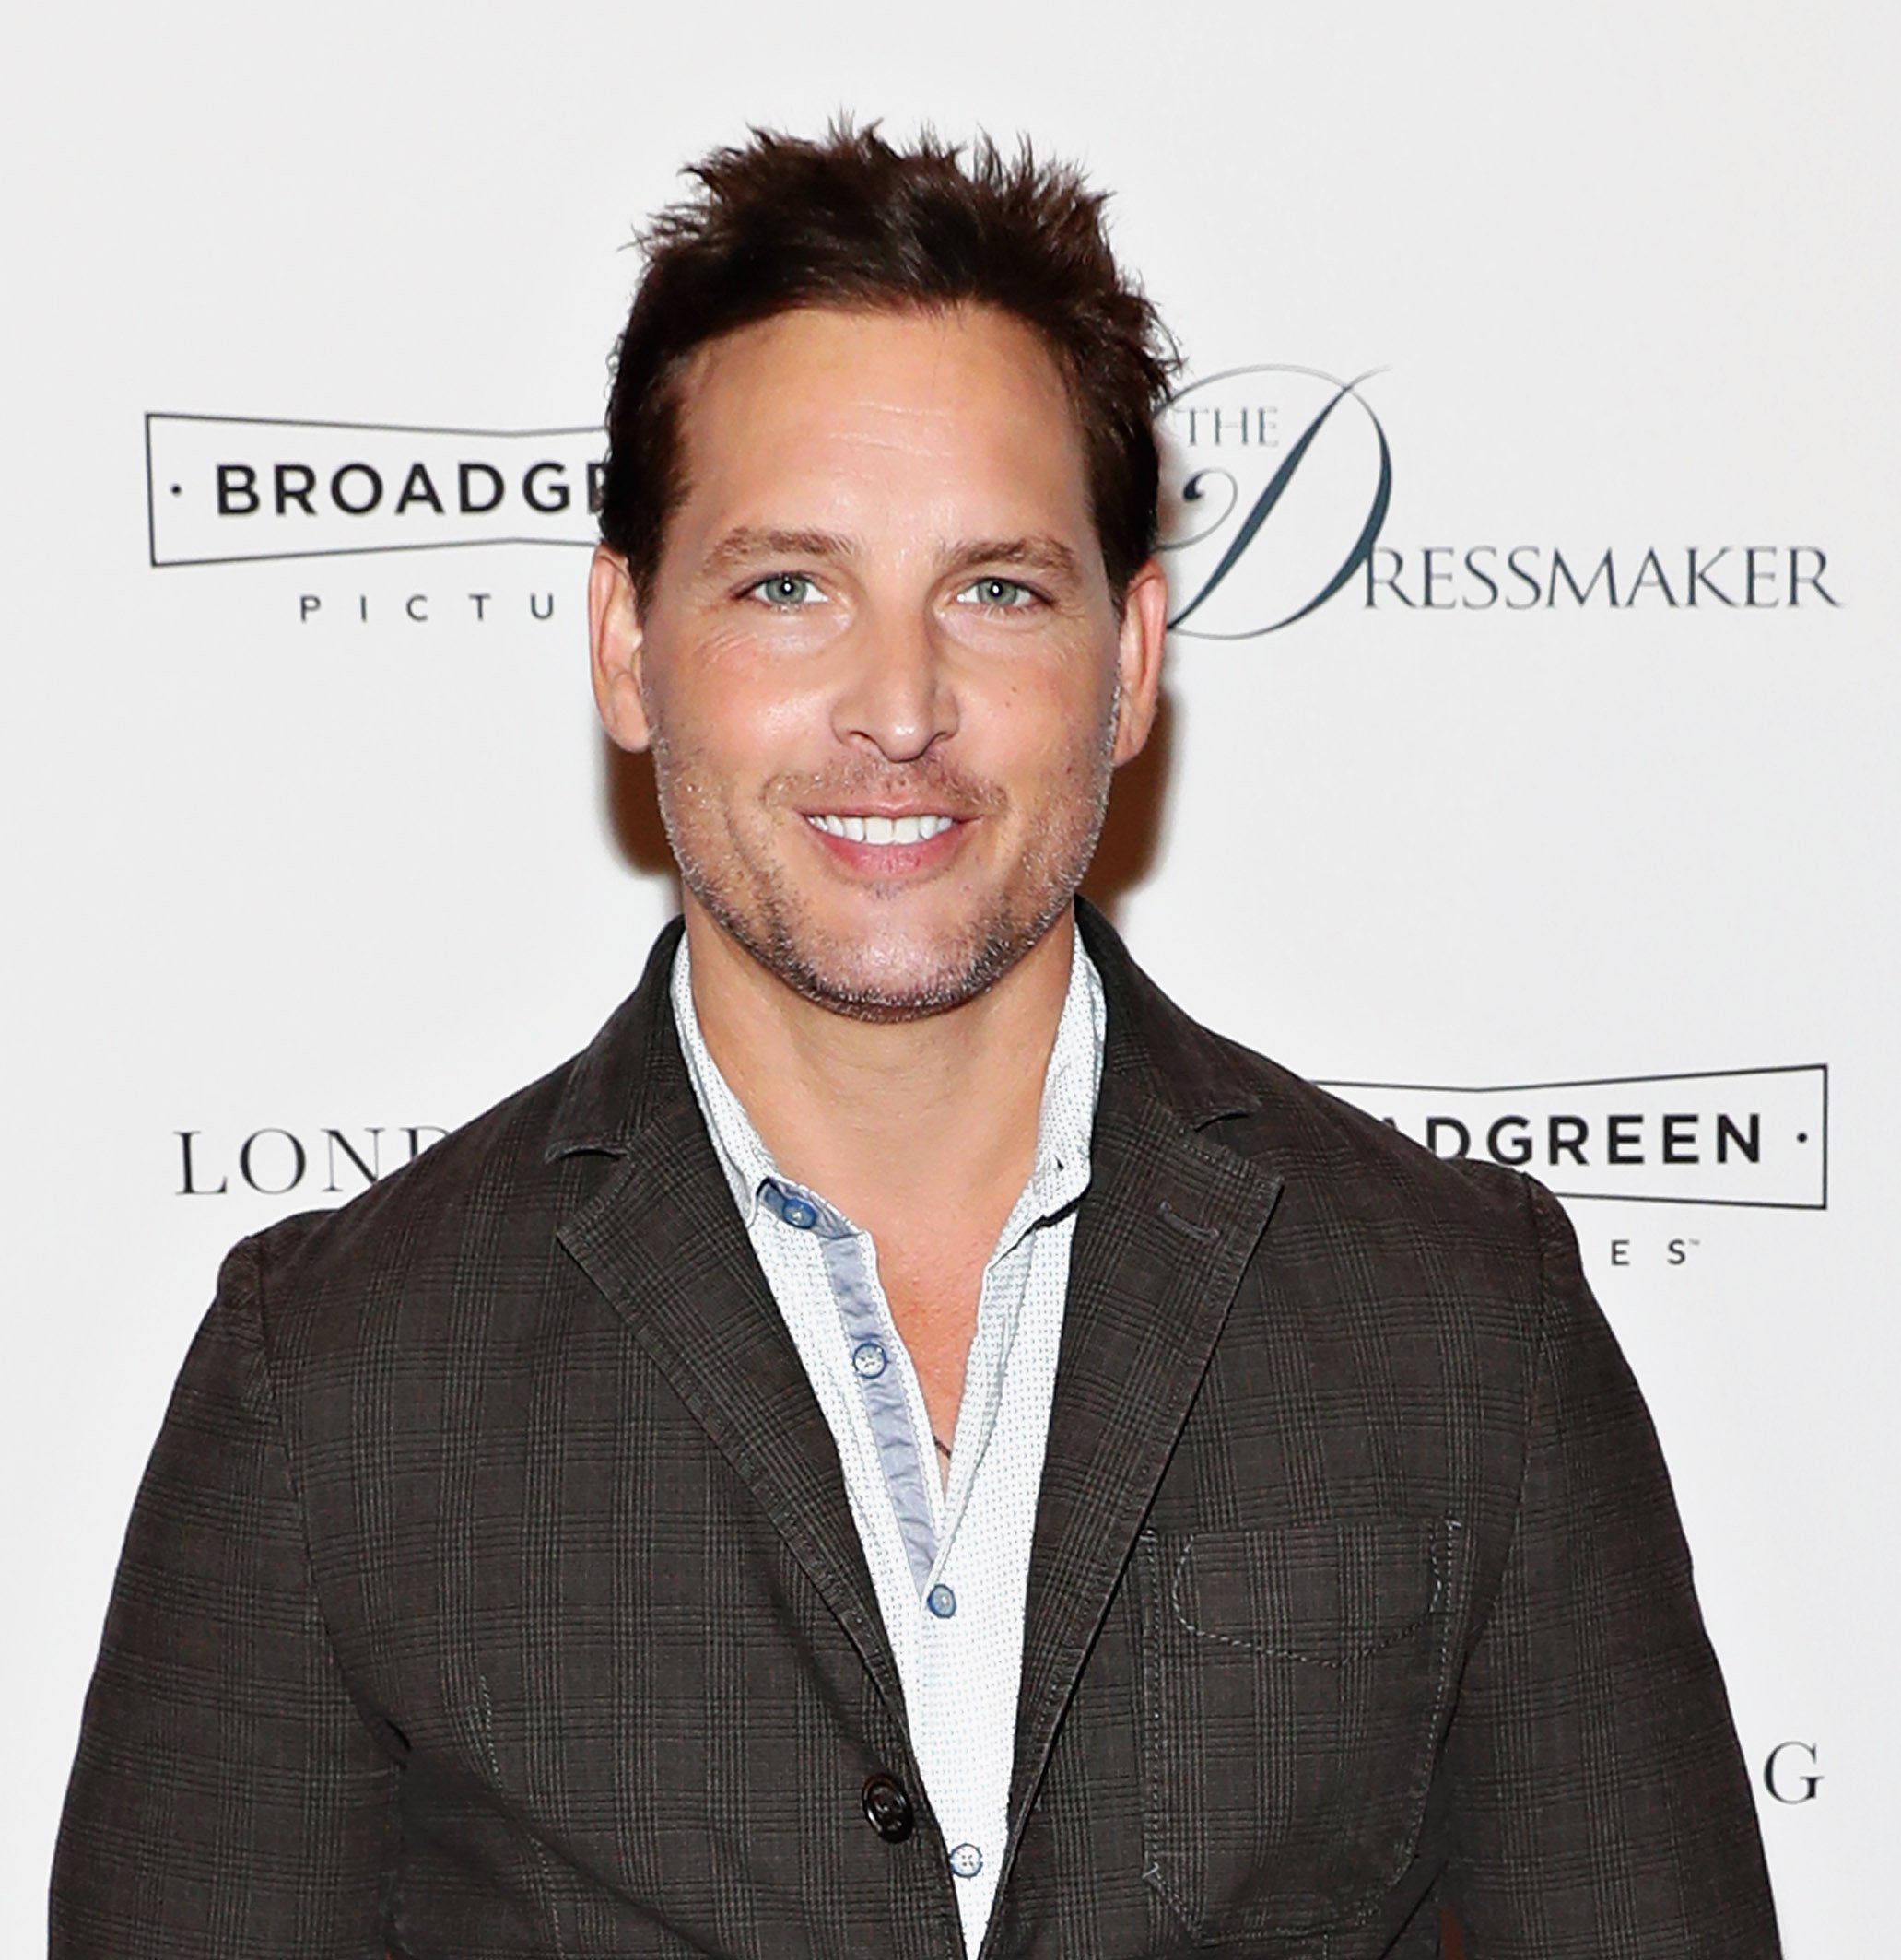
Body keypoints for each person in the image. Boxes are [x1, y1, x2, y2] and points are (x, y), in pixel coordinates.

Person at [53, 124, 1778, 1959]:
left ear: (1130, 659)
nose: (898, 707)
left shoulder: (1455, 1327)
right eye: (789, 584)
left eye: (997, 588)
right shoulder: (335, 1379)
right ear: (628, 644)